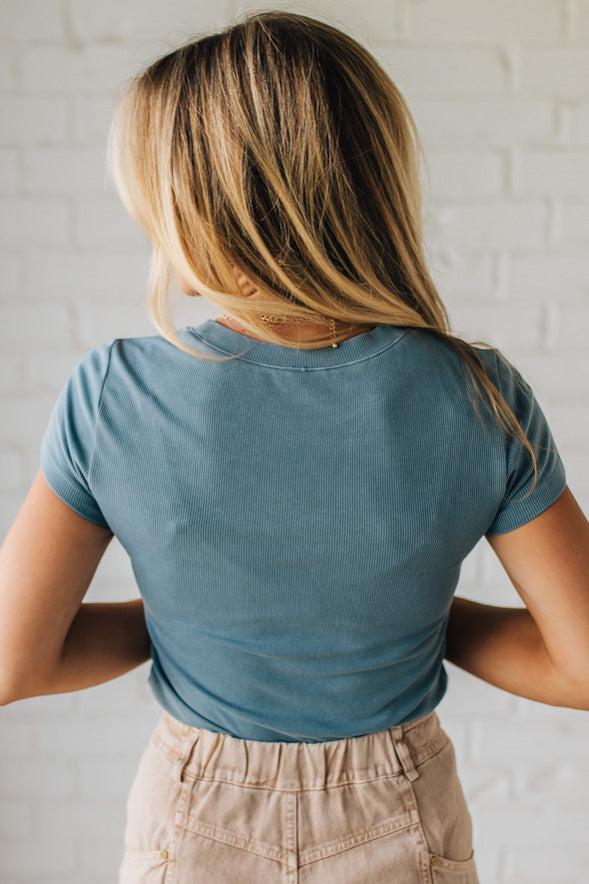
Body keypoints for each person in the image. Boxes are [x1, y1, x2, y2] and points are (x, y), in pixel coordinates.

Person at [1, 10, 588, 884]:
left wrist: (194, 628)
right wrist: (404, 623)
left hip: (196, 809)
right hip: (397, 805)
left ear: (202, 206)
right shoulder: (477, 393)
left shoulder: (113, 394)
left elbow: (16, 660)